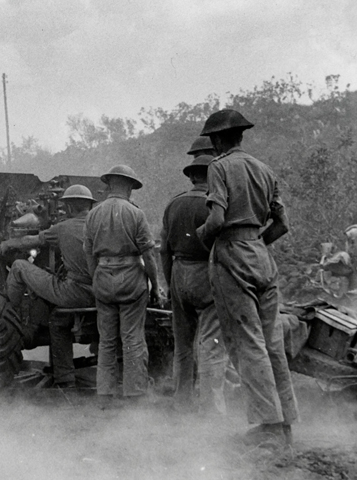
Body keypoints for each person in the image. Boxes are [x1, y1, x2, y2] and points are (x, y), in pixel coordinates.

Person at [196, 109, 298, 447]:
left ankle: (268, 426)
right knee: (272, 344)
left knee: (247, 342)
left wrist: (203, 237)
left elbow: (216, 219)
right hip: (262, 257)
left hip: (232, 256)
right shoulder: (264, 170)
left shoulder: (219, 167)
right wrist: (256, 243)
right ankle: (285, 421)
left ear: (219, 139)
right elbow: (282, 224)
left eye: (212, 140)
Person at [2, 184, 96, 388]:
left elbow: (31, 241)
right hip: (102, 291)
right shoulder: (101, 225)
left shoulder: (63, 228)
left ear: (69, 208)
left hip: (74, 292)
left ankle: (11, 320)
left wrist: (7, 245)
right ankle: (65, 377)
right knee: (60, 319)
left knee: (19, 266)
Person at [83, 165, 162, 405]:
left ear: (109, 185)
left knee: (106, 339)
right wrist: (155, 286)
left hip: (103, 279)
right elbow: (148, 255)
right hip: (131, 280)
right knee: (132, 338)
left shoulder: (93, 214)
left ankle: (105, 394)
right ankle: (135, 394)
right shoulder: (135, 213)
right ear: (128, 186)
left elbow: (88, 254)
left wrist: (96, 278)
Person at [160, 154, 228, 415]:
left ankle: (182, 401)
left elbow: (163, 249)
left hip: (179, 271)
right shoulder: (215, 205)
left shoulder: (173, 204)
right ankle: (211, 407)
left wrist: (169, 283)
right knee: (211, 342)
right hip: (206, 272)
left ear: (191, 176)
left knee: (183, 343)